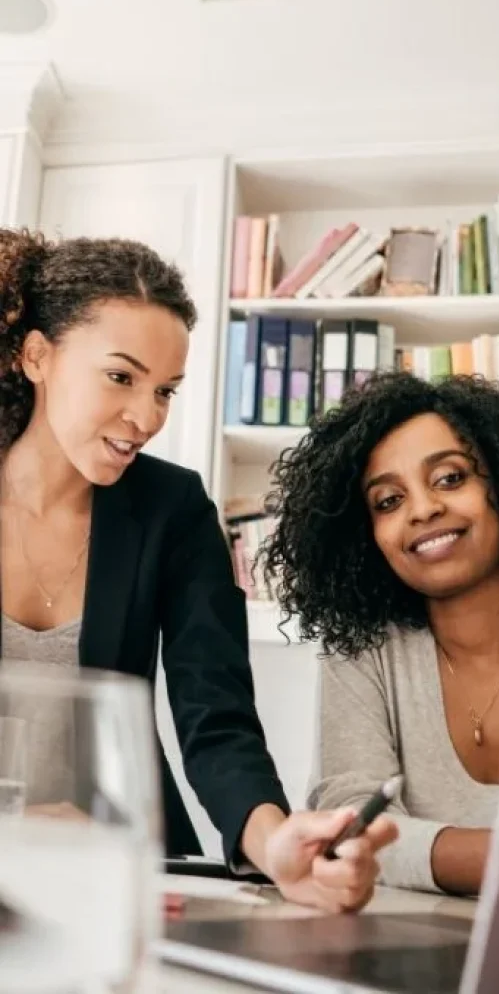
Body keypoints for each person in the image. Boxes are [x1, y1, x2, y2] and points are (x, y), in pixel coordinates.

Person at [0, 228, 396, 914]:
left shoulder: (174, 510)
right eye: (122, 377)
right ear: (38, 356)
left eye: (166, 391)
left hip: (127, 871)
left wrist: (274, 846)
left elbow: (215, 718)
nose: (145, 417)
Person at [261, 370, 499, 897]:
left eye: (450, 478)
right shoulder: (362, 649)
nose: (423, 509)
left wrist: (420, 850)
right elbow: (351, 820)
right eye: (388, 501)